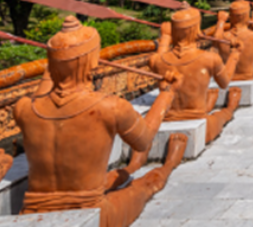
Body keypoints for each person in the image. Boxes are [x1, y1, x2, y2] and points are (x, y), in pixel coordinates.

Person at [11, 17, 188, 227]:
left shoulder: (23, 109)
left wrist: (57, 62)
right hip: (94, 213)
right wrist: (167, 93)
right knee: (147, 184)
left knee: (114, 176)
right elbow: (144, 141)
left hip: (30, 211)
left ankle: (130, 168)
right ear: (94, 61)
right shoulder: (110, 107)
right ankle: (169, 164)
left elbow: (43, 93)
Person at [148, 7, 243, 145]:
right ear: (196, 29)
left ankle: (210, 101)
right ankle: (230, 108)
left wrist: (166, 37)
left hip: (168, 117)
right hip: (197, 116)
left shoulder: (156, 61)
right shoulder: (209, 58)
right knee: (221, 115)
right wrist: (235, 54)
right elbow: (225, 82)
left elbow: (159, 55)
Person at [210, 0, 253, 98]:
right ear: (247, 15)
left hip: (228, 78)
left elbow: (216, 38)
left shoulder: (221, 38)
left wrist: (221, 22)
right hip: (246, 77)